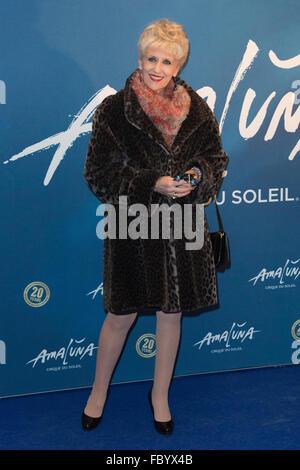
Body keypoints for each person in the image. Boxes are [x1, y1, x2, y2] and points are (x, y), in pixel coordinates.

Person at [82, 18, 229, 434]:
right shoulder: (114, 109)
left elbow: (215, 159)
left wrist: (197, 177)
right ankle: (97, 393)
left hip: (182, 224)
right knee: (119, 315)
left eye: (167, 60)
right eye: (151, 58)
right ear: (140, 58)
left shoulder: (196, 107)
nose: (158, 68)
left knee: (171, 314)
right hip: (134, 224)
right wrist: (152, 182)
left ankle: (160, 395)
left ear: (179, 66)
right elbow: (97, 173)